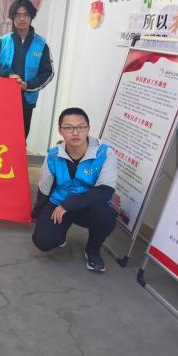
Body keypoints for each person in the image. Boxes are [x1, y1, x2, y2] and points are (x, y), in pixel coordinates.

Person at [31, 108, 118, 273]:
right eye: (69, 128)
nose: (76, 133)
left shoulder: (105, 153)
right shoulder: (53, 155)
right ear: (60, 130)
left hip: (89, 206)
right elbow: (44, 188)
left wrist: (68, 205)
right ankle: (60, 234)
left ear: (88, 128)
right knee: (42, 241)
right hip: (59, 203)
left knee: (106, 214)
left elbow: (105, 190)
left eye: (81, 127)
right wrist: (37, 214)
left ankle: (93, 249)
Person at [0, 0, 53, 138]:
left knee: (20, 140)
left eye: (26, 15)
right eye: (18, 15)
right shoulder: (2, 42)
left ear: (32, 17)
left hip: (26, 102)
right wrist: (7, 76)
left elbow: (48, 73)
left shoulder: (41, 45)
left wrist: (28, 85)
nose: (22, 19)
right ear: (12, 17)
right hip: (1, 100)